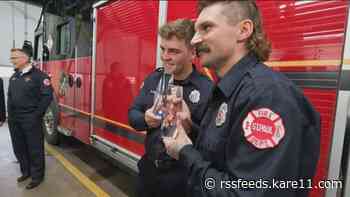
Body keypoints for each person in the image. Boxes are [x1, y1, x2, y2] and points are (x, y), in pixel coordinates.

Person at [163, 1, 321, 197]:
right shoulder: (231, 89)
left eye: (206, 28)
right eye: (196, 30)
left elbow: (244, 193)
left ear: (243, 30)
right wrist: (190, 130)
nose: (194, 40)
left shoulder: (266, 96)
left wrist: (184, 152)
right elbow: (226, 152)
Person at [128, 19, 213, 197]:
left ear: (192, 53)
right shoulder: (154, 79)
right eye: (163, 49)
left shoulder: (206, 90)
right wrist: (146, 119)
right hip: (148, 173)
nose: (165, 56)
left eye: (173, 51)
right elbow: (132, 114)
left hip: (182, 180)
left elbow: (213, 147)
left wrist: (190, 127)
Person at [8, 40, 53, 189]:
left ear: (25, 58)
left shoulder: (40, 76)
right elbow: (10, 97)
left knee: (34, 149)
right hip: (15, 120)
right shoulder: (15, 76)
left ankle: (37, 177)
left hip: (30, 118)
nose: (12, 60)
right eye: (11, 58)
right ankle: (26, 171)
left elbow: (47, 96)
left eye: (15, 58)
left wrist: (36, 115)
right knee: (19, 147)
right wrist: (10, 117)